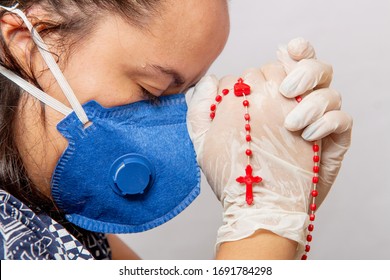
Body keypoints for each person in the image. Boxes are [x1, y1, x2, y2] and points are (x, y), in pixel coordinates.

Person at [0, 0, 352, 260]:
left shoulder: (60, 213)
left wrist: (289, 213)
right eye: (152, 90)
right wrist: (266, 218)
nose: (172, 124)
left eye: (183, 97)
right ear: (27, 39)